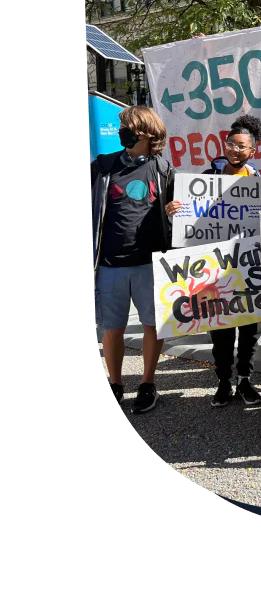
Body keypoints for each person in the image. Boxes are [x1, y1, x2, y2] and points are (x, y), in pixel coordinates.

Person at [167, 115, 261, 407]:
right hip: (215, 268)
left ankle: (245, 380)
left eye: (243, 147)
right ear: (225, 145)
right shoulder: (205, 177)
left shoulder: (258, 182)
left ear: (253, 151)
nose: (236, 150)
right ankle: (224, 381)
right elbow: (188, 215)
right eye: (232, 144)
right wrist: (174, 210)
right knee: (220, 327)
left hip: (249, 265)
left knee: (250, 328)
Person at [89, 106, 176, 414]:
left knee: (154, 325)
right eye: (122, 127)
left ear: (146, 134)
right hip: (110, 264)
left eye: (128, 127)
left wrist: (176, 212)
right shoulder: (103, 166)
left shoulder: (164, 168)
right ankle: (115, 385)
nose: (121, 132)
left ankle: (147, 383)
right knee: (112, 328)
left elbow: (181, 212)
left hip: (151, 264)